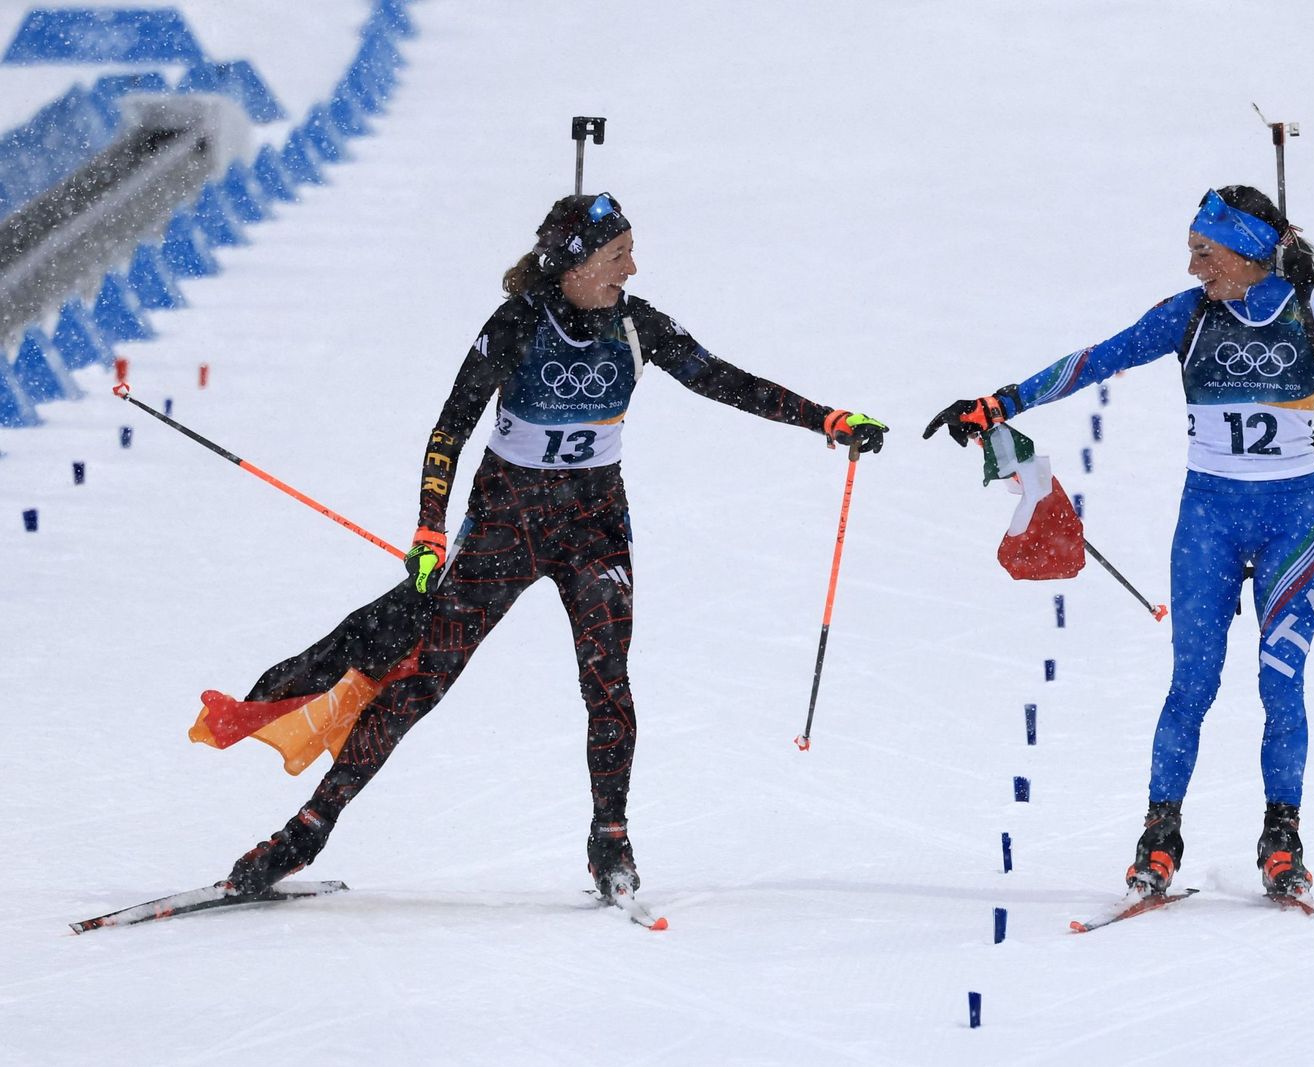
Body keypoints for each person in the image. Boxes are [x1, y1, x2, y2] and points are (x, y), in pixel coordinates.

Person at [223, 192, 888, 902]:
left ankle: (611, 842)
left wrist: (826, 419)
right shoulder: (517, 324)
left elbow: (723, 379)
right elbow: (450, 429)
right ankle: (305, 832)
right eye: (617, 255)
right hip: (505, 526)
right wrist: (429, 528)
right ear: (575, 266)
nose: (632, 268)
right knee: (423, 679)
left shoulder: (636, 325)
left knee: (608, 683)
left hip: (593, 529)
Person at [923, 185, 1314, 897]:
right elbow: (1096, 359)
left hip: (1292, 526)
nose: (1192, 268)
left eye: (1204, 253)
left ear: (1247, 250)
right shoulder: (1188, 317)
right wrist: (1000, 403)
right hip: (1208, 525)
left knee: (1282, 684)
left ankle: (1282, 839)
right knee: (1192, 683)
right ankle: (1160, 837)